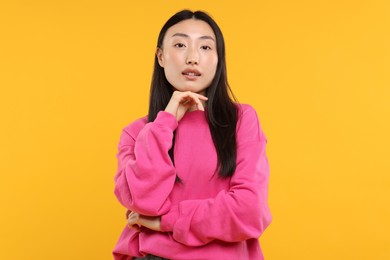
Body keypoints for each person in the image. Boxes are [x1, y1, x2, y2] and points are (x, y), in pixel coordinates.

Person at [112, 9, 272, 260]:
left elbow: (249, 212)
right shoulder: (137, 133)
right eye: (180, 44)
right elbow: (144, 203)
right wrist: (165, 123)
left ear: (219, 59)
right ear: (161, 57)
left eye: (206, 48)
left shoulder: (241, 120)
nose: (193, 58)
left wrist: (167, 220)